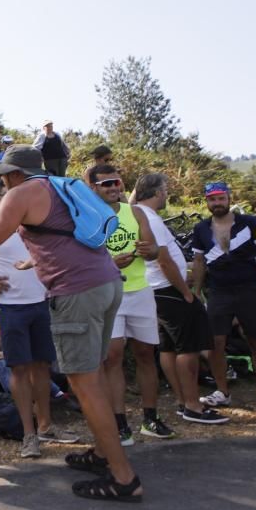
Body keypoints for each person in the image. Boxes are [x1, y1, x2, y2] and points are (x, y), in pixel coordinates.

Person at [0, 146, 142, 502]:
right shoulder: (60, 185)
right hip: (106, 282)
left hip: (76, 291)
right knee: (93, 372)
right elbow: (64, 235)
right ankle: (103, 453)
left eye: (3, 173)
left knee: (85, 382)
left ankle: (123, 478)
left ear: (14, 174)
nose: (2, 180)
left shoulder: (21, 193)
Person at [0, 182, 79, 458]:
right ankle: (29, 435)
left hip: (42, 303)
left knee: (42, 367)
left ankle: (46, 426)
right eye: (7, 196)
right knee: (18, 371)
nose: (15, 202)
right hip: (10, 308)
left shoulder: (36, 222)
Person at [132, 173, 228, 424]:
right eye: (164, 190)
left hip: (157, 289)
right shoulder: (148, 217)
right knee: (189, 347)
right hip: (169, 288)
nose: (166, 195)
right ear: (155, 193)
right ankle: (193, 405)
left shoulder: (139, 214)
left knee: (169, 347)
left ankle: (182, 401)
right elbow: (162, 259)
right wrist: (186, 292)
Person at [89, 165, 173, 443]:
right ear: (93, 188)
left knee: (146, 354)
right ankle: (119, 423)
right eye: (105, 184)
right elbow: (81, 260)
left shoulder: (135, 212)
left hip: (140, 291)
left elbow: (153, 252)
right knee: (112, 357)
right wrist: (109, 264)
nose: (113, 187)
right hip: (108, 293)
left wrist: (150, 250)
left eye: (116, 182)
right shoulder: (87, 218)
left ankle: (150, 418)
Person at [191, 181, 256, 413]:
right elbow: (199, 262)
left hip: (250, 289)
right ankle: (223, 391)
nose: (217, 203)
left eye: (221, 198)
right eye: (212, 199)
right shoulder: (201, 229)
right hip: (218, 291)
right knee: (215, 343)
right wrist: (196, 292)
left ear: (229, 198)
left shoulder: (250, 223)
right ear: (207, 201)